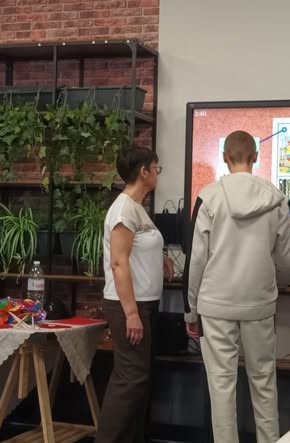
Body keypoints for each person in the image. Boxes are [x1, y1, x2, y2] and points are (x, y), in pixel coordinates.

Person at [183, 130, 290, 443]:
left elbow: (196, 262)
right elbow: (286, 262)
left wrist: (191, 311)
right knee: (264, 382)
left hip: (215, 305)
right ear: (255, 157)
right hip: (259, 303)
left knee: (221, 386)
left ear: (225, 157)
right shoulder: (277, 199)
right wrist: (272, 285)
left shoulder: (208, 197)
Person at [96, 147, 174, 443]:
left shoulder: (137, 207)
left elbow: (138, 246)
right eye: (156, 167)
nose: (157, 173)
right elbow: (118, 263)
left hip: (144, 304)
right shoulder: (123, 210)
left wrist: (159, 256)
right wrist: (131, 313)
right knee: (129, 379)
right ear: (144, 172)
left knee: (137, 380)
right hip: (128, 307)